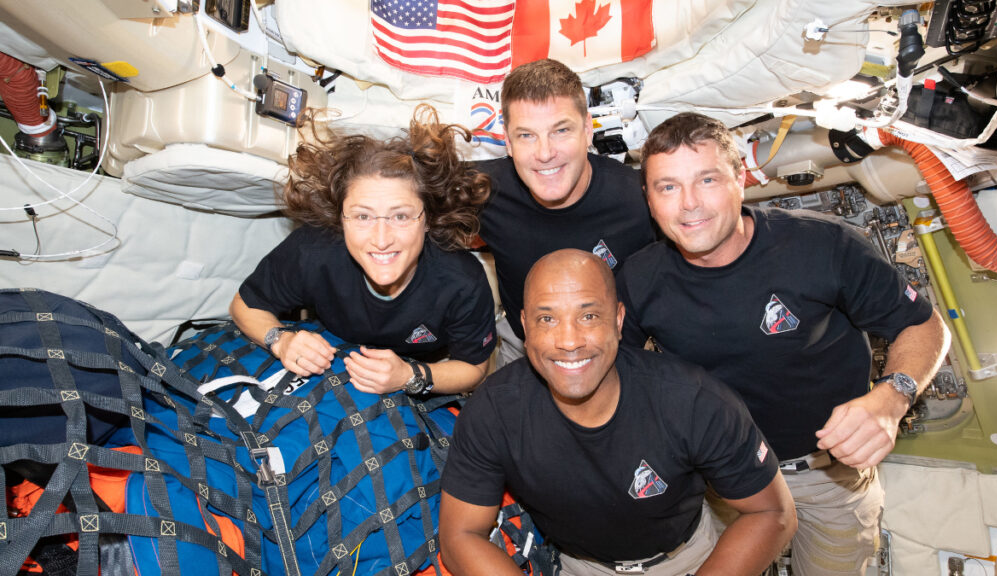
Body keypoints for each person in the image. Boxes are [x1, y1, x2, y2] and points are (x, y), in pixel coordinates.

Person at [617, 112, 952, 576]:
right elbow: (618, 378)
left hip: (828, 477)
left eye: (707, 179)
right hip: (721, 481)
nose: (689, 204)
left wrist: (892, 397)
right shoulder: (638, 279)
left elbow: (924, 325)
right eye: (667, 187)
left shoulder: (823, 246)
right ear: (649, 199)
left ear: (740, 179)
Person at [439, 249, 796, 576]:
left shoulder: (692, 400)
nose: (569, 341)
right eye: (547, 319)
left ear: (619, 320)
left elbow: (772, 512)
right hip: (572, 565)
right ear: (525, 327)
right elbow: (460, 536)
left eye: (589, 316)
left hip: (688, 560)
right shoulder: (494, 411)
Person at [230, 105, 496, 395]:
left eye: (400, 216)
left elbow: (474, 368)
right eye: (362, 217)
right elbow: (245, 304)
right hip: (327, 365)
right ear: (340, 219)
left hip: (419, 370)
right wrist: (281, 340)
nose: (381, 240)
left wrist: (408, 376)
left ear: (428, 219)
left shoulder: (462, 281)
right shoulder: (312, 250)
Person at [475, 59, 655, 366]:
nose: (545, 153)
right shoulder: (482, 190)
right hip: (523, 349)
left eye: (560, 130)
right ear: (508, 141)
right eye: (526, 135)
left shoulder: (637, 198)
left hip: (619, 353)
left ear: (587, 130)